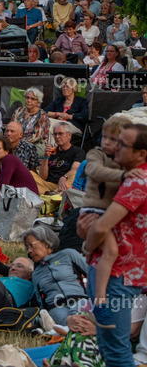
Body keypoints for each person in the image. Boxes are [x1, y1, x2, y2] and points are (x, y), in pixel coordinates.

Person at [81, 122, 147, 366]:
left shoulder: (138, 182)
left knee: (116, 352)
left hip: (117, 275)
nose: (115, 147)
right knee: (110, 347)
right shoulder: (130, 175)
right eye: (114, 140)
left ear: (141, 154)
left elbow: (100, 226)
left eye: (123, 144)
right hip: (126, 272)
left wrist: (87, 249)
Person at [24, 225, 88, 325]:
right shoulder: (36, 273)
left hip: (78, 300)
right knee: (66, 321)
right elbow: (41, 301)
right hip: (56, 308)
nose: (29, 251)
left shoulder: (68, 254)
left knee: (78, 314)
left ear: (46, 243)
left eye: (31, 245)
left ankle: (63, 331)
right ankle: (67, 329)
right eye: (27, 247)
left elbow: (93, 274)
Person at [37, 123, 85, 193]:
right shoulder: (52, 151)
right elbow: (43, 177)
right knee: (31, 174)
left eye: (60, 134)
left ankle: (55, 194)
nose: (57, 137)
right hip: (49, 185)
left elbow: (75, 169)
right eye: (55, 134)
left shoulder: (78, 151)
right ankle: (53, 195)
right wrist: (46, 157)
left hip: (65, 183)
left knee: (74, 175)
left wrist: (64, 177)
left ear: (69, 135)